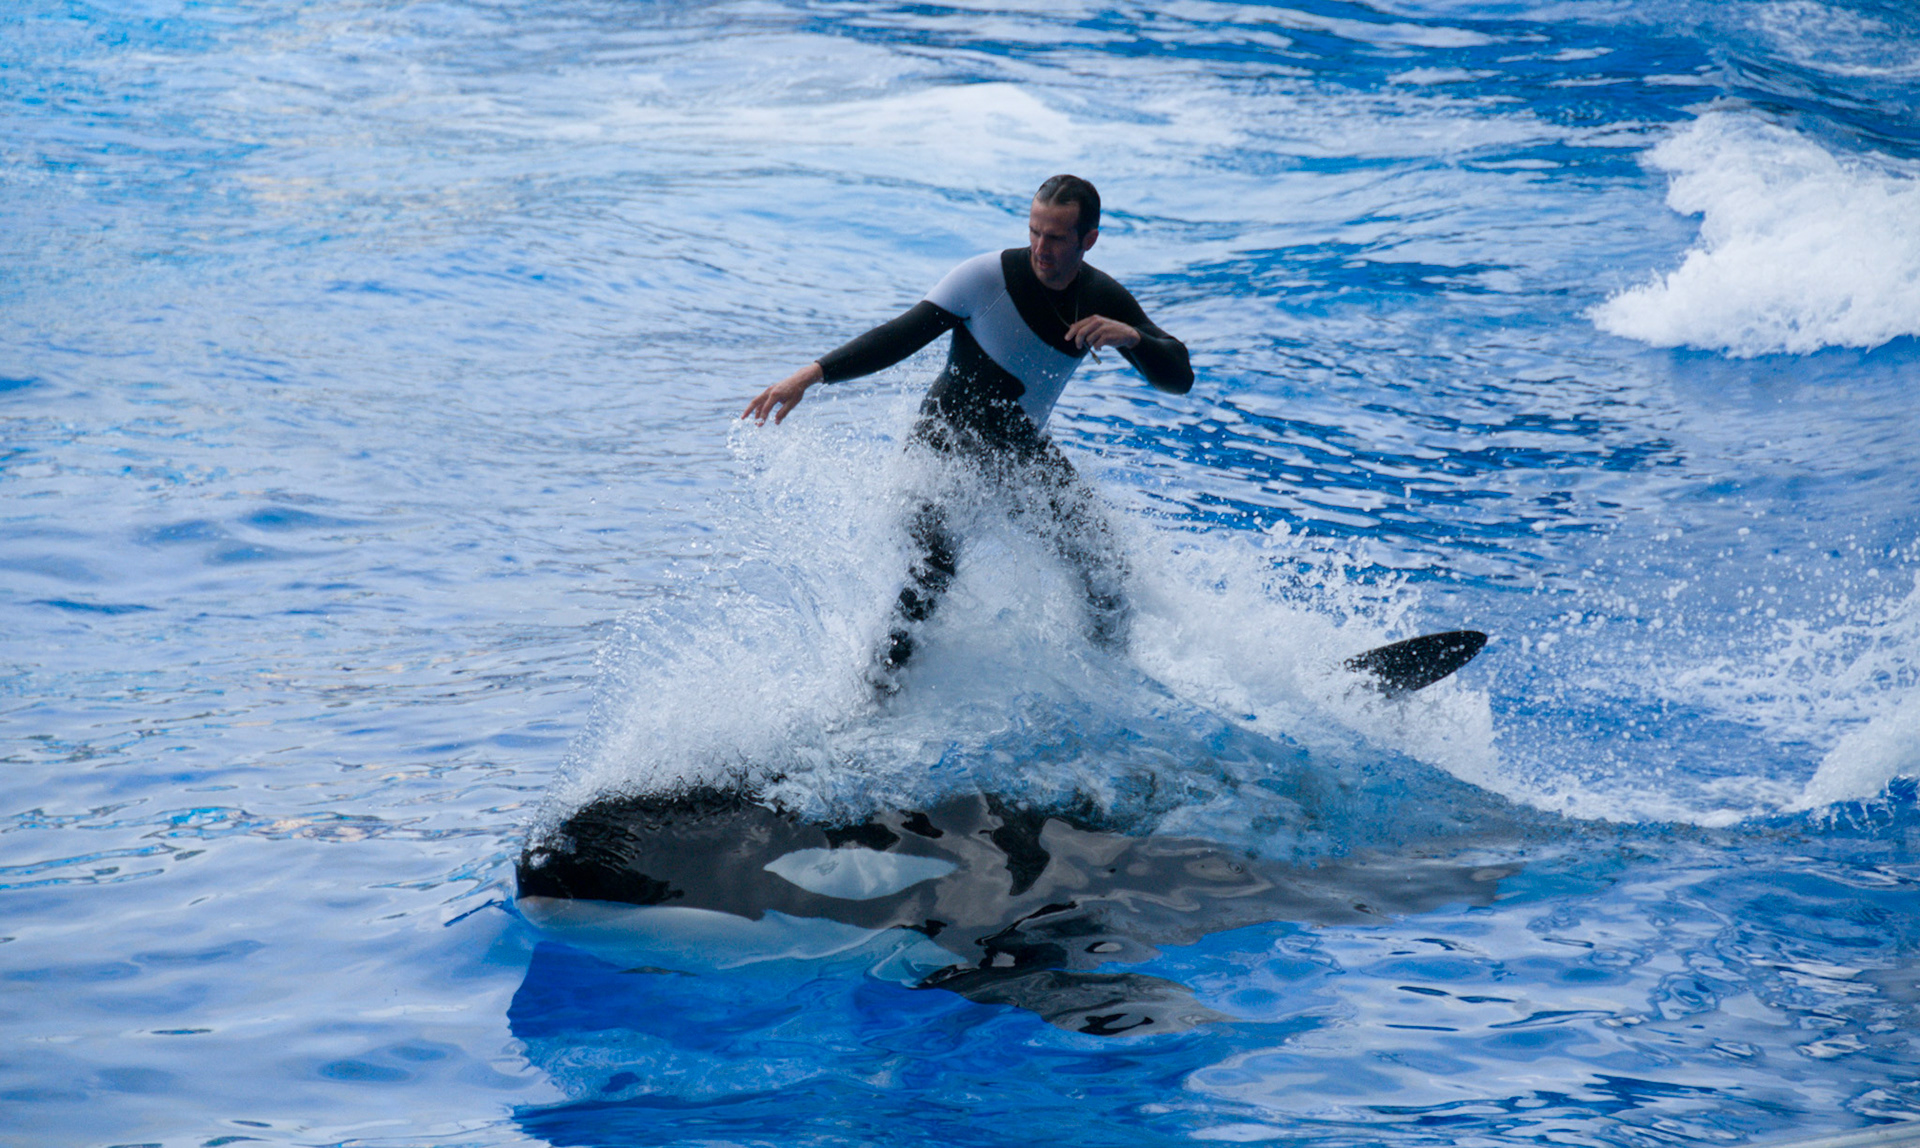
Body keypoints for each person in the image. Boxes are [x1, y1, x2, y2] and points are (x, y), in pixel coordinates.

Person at [742, 174, 1193, 689]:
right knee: (933, 568)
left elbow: (1179, 377)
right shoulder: (985, 278)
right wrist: (812, 374)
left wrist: (1133, 339)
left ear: (1087, 240)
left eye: (1055, 238)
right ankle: (874, 698)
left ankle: (1111, 682)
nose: (1040, 248)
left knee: (1105, 566)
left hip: (1019, 453)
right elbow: (898, 335)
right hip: (943, 448)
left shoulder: (1101, 297)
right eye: (1034, 232)